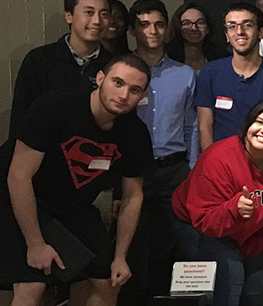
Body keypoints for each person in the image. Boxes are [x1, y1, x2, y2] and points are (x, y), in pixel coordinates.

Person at [0, 55, 153, 305]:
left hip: (71, 205)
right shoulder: (55, 106)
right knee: (34, 284)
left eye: (134, 90)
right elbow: (18, 176)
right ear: (100, 79)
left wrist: (120, 256)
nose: (124, 95)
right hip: (15, 195)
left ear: (143, 95)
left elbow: (133, 196)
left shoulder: (134, 133)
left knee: (109, 279)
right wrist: (35, 243)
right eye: (117, 83)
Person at [171, 98, 263, 306]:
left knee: (259, 286)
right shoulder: (218, 158)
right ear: (248, 124)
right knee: (230, 280)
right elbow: (204, 219)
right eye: (259, 122)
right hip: (200, 225)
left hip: (252, 234)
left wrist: (252, 245)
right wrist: (233, 210)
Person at [118, 0, 200, 304]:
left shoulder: (185, 74)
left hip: (175, 170)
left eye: (159, 24)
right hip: (132, 170)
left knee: (184, 244)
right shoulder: (121, 72)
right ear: (131, 30)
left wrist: (193, 169)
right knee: (134, 245)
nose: (152, 31)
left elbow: (192, 126)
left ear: (167, 29)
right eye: (143, 24)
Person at [9, 0, 116, 139]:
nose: (97, 21)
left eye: (104, 14)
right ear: (69, 16)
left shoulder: (114, 65)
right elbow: (21, 116)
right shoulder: (40, 60)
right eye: (89, 13)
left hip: (96, 153)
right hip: (44, 153)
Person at [195, 2, 263, 149]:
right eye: (232, 26)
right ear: (226, 35)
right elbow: (205, 125)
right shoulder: (211, 72)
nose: (239, 32)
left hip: (262, 163)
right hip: (220, 161)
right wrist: (211, 161)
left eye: (248, 25)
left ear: (261, 32)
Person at [168, 2, 230, 71]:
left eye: (200, 23)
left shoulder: (220, 58)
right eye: (186, 23)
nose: (194, 28)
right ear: (178, 27)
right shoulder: (168, 59)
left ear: (208, 28)